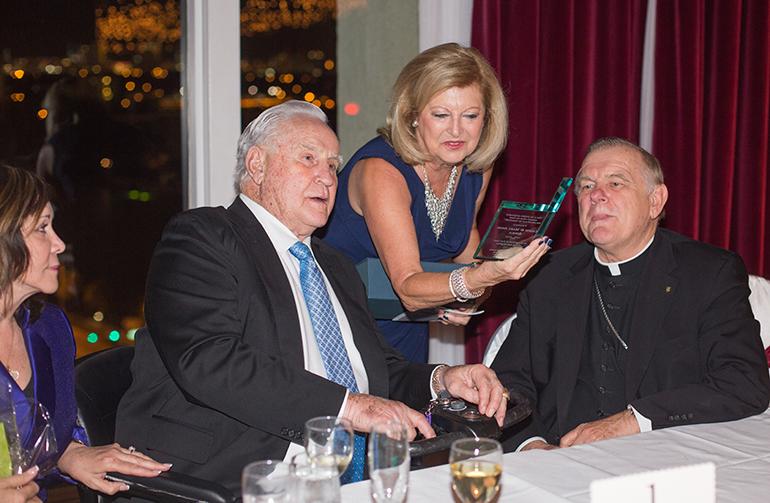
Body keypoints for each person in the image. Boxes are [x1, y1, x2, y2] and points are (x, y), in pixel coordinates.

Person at [114, 101, 508, 496]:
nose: (327, 178)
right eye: (308, 159)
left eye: (334, 166)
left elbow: (376, 369)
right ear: (257, 165)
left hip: (356, 480)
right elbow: (209, 359)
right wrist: (347, 407)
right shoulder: (203, 237)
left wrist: (442, 380)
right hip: (235, 477)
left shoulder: (334, 265)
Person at [491, 137, 770, 451]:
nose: (596, 195)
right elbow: (508, 380)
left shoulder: (709, 273)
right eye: (585, 186)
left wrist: (633, 420)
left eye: (615, 183)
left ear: (655, 201)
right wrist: (532, 444)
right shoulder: (548, 276)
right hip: (561, 458)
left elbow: (744, 381)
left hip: (667, 456)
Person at [321, 43, 550, 363]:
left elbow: (466, 247)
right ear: (413, 115)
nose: (457, 130)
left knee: (411, 411)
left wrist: (468, 297)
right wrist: (482, 278)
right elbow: (408, 287)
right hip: (338, 328)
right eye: (441, 114)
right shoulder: (382, 172)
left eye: (470, 115)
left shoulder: (475, 166)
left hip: (408, 325)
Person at [0, 165, 171, 499]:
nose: (59, 244)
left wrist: (69, 453)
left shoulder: (49, 329)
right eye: (42, 229)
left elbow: (39, 445)